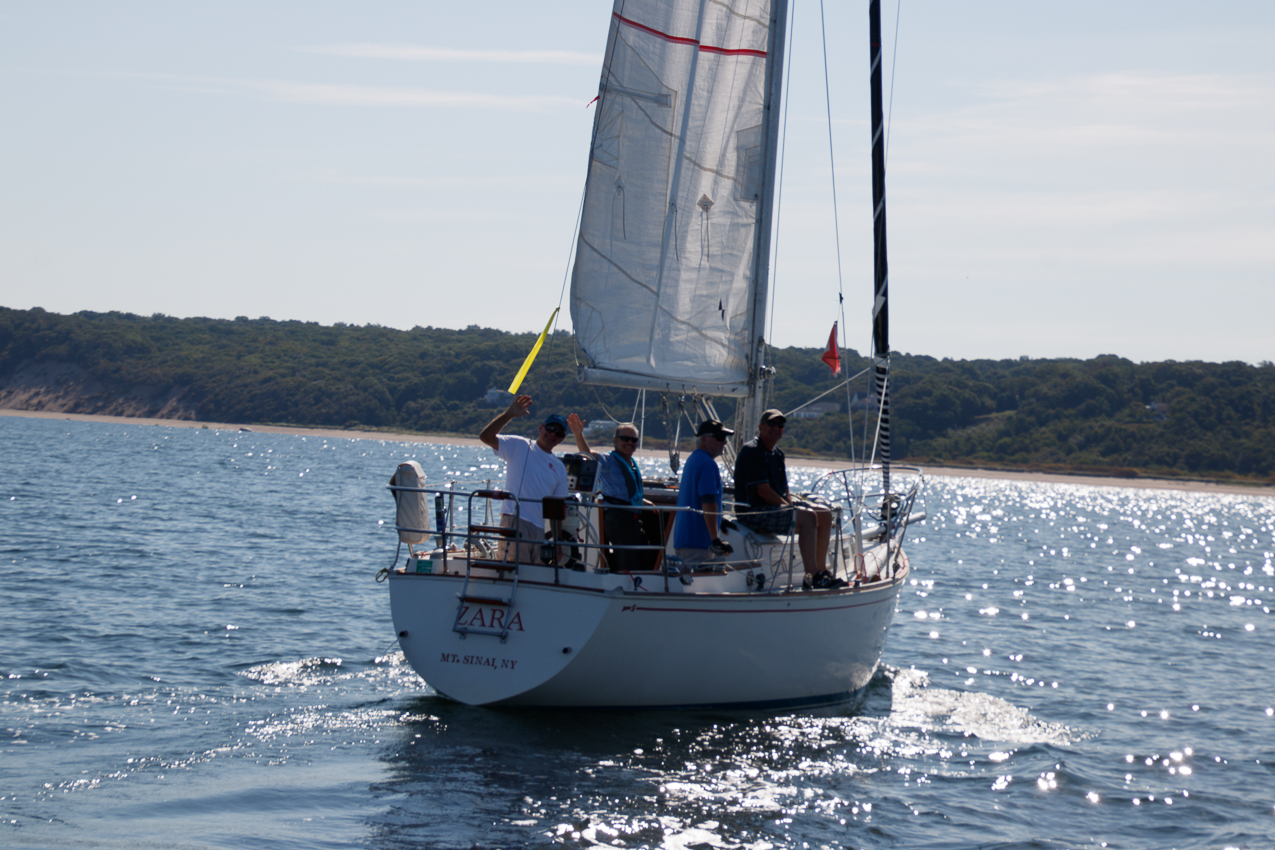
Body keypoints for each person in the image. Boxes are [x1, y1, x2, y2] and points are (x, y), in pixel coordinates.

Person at [733, 409, 839, 588]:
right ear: (760, 427)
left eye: (780, 426)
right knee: (807, 517)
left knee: (825, 514)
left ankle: (822, 570)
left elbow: (784, 489)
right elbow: (763, 491)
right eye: (771, 424)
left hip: (774, 507)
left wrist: (790, 504)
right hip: (753, 511)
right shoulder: (752, 451)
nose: (776, 428)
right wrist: (791, 510)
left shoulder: (778, 454)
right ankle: (811, 575)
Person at [478, 394, 569, 563]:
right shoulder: (519, 445)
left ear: (562, 438)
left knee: (533, 575)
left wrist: (557, 544)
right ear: (541, 428)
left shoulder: (559, 468)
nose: (553, 434)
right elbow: (485, 437)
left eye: (559, 432)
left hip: (538, 529)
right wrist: (508, 415)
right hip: (515, 521)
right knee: (512, 572)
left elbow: (556, 511)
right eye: (550, 428)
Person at [566, 414, 653, 572]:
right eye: (625, 438)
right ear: (615, 441)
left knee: (644, 557)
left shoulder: (631, 464)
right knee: (628, 561)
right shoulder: (609, 460)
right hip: (618, 517)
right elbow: (588, 455)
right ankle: (627, 590)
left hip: (633, 518)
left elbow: (629, 493)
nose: (629, 443)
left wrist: (646, 503)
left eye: (633, 440)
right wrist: (578, 435)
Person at [673, 420, 735, 569]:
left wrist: (719, 519)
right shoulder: (708, 464)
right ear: (704, 439)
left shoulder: (693, 459)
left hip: (684, 541)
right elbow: (707, 501)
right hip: (698, 545)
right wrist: (716, 540)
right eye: (720, 438)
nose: (725, 442)